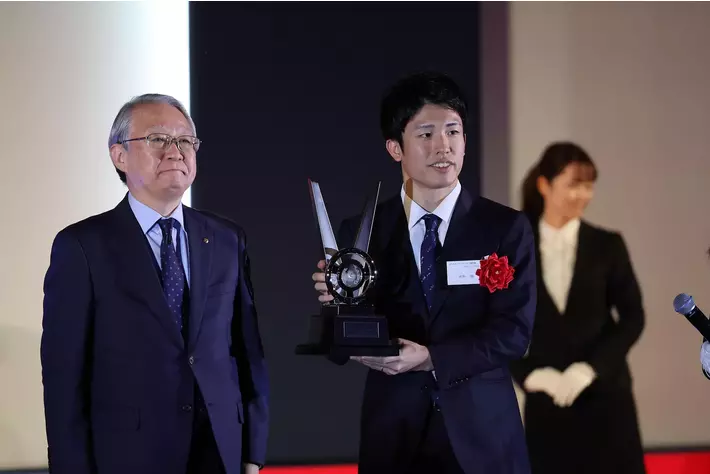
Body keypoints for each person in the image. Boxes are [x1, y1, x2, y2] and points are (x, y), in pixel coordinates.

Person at [312, 72, 537, 474]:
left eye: (453, 131)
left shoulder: (504, 227)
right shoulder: (363, 232)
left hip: (483, 434)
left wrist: (433, 358)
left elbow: (514, 335)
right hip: (395, 433)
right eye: (426, 134)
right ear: (395, 148)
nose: (443, 146)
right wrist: (337, 308)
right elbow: (338, 347)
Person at [40, 94, 268, 474]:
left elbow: (248, 352)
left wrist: (252, 453)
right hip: (128, 455)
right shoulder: (82, 246)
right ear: (119, 156)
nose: (175, 151)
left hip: (218, 449)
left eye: (185, 140)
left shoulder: (227, 239)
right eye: (158, 139)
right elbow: (64, 377)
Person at [510, 142, 646, 474]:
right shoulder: (514, 248)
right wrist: (529, 374)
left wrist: (589, 369)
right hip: (547, 404)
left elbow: (633, 317)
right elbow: (494, 322)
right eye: (573, 185)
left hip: (606, 398)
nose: (582, 195)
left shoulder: (607, 245)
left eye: (588, 186)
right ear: (544, 185)